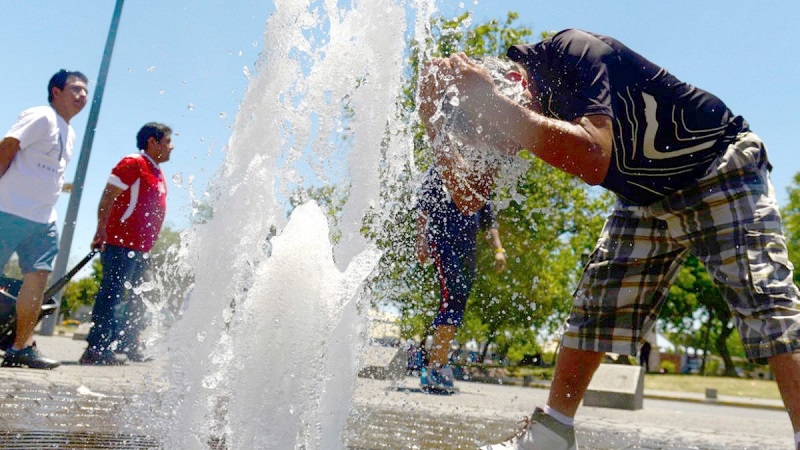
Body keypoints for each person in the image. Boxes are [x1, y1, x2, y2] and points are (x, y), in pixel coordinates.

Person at [418, 29, 800, 450]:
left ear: (510, 88)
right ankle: (551, 434)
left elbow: (593, 158)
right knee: (595, 306)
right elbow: (470, 198)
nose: (507, 148)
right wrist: (430, 120)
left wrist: (493, 107)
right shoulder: (509, 108)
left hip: (717, 164)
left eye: (497, 133)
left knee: (765, 298)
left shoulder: (573, 51)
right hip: (644, 195)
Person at [0, 70, 89, 369]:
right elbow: (7, 147)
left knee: (36, 282)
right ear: (56, 92)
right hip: (8, 209)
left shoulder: (70, 132)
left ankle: (20, 347)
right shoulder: (41, 116)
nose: (82, 96)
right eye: (75, 89)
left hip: (43, 220)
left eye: (85, 91)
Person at [80, 122, 173, 365]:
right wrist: (101, 230)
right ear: (152, 142)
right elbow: (108, 195)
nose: (171, 148)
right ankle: (96, 348)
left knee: (140, 298)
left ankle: (129, 344)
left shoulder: (155, 171)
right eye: (167, 142)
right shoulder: (133, 163)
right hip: (121, 244)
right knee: (111, 295)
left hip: (142, 249)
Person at [415, 168, 507, 392]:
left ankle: (438, 363)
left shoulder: (480, 172)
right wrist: (421, 240)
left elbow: (489, 221)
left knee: (459, 301)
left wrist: (498, 249)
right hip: (442, 239)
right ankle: (436, 368)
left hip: (468, 247)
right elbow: (423, 207)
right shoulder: (442, 167)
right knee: (453, 297)